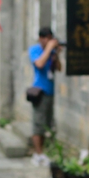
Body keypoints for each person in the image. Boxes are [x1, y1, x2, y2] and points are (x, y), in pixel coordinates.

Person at [28, 27, 61, 166]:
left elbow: (59, 68)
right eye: (46, 39)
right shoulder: (35, 50)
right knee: (38, 124)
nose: (48, 41)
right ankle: (38, 153)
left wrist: (56, 54)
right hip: (39, 91)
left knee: (47, 124)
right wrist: (49, 49)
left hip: (50, 91)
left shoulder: (51, 51)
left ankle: (42, 153)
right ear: (41, 38)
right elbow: (40, 64)